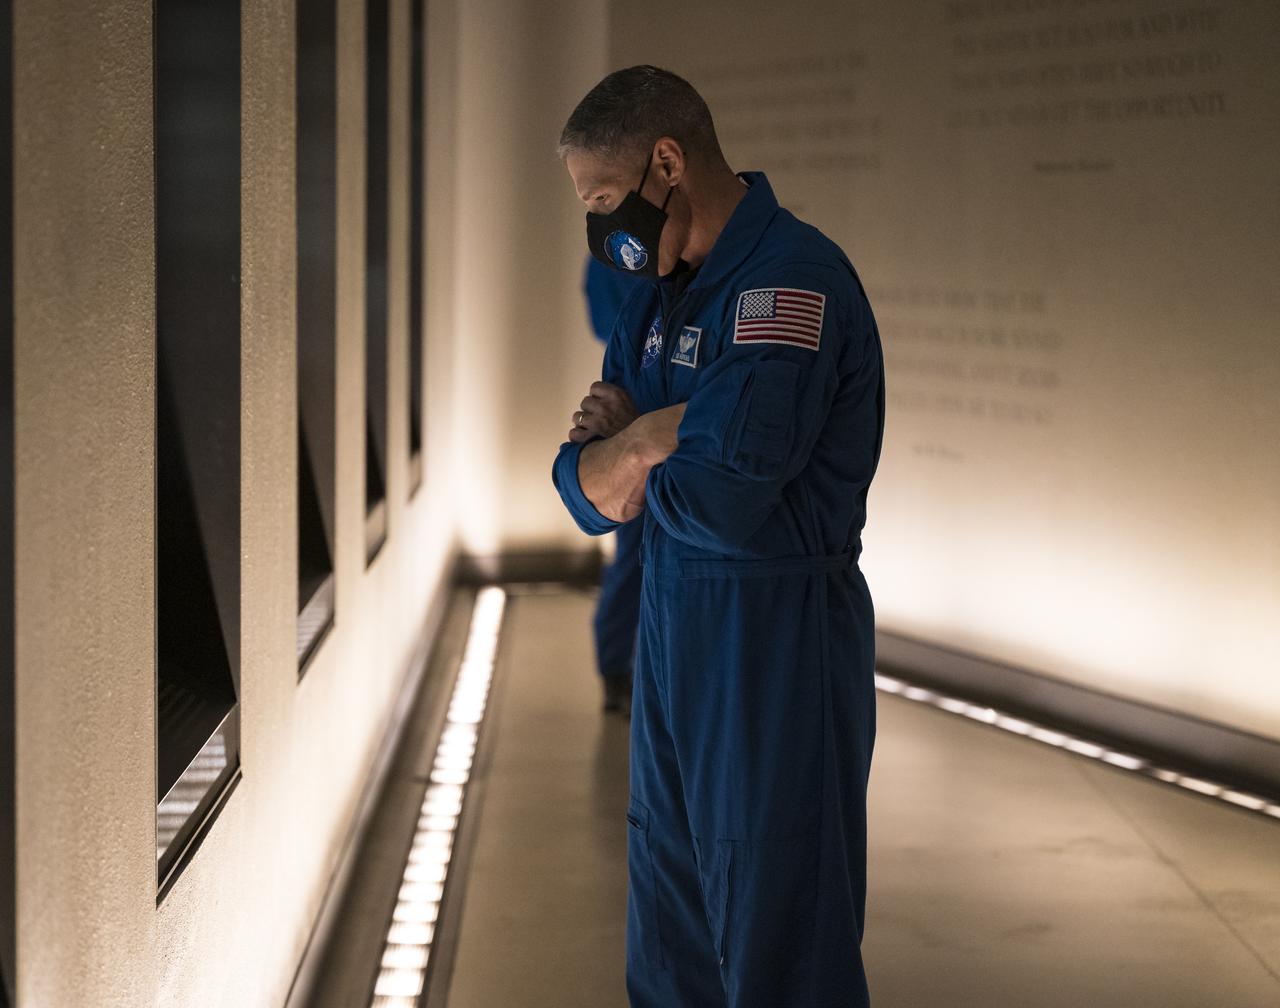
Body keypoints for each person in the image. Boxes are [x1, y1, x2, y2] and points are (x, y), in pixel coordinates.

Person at [551, 65, 885, 1008]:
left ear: (667, 164)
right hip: (672, 632)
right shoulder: (658, 298)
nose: (600, 229)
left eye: (604, 201)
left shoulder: (792, 283)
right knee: (672, 932)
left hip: (775, 644)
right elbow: (579, 489)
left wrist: (634, 445)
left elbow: (724, 500)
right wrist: (652, 439)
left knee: (782, 938)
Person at [582, 256, 644, 714]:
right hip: (640, 408)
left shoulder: (606, 257)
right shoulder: (617, 256)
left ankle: (619, 670)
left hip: (639, 403)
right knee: (634, 551)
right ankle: (618, 670)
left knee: (633, 554)